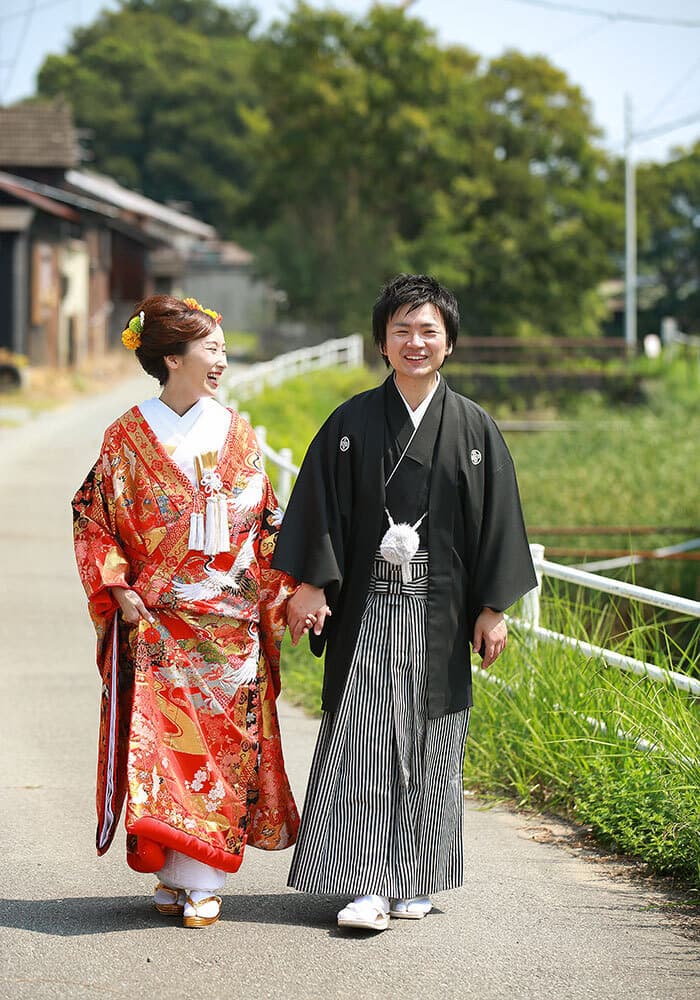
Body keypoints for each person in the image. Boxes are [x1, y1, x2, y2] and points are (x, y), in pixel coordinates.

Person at [272, 274, 537, 932]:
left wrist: (493, 608)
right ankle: (365, 883)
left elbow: (499, 522)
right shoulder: (350, 423)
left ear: (448, 344)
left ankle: (414, 876)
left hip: (442, 612)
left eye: (428, 331)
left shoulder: (475, 428)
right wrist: (311, 585)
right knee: (366, 740)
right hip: (369, 605)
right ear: (381, 344)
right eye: (401, 331)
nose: (415, 342)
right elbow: (321, 507)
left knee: (433, 740)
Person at [72, 295, 299, 929]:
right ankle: (179, 873)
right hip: (157, 619)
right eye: (212, 349)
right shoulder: (125, 436)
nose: (222, 360)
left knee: (221, 747)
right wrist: (117, 587)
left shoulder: (236, 431)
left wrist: (288, 587)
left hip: (229, 623)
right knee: (164, 746)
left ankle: (205, 877)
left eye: (224, 349)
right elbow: (93, 516)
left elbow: (267, 520)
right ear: (173, 356)